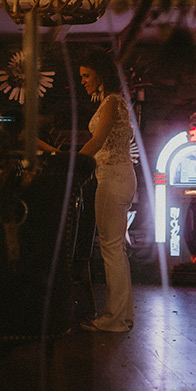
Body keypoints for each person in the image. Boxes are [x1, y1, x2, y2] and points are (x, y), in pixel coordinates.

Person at [76, 48, 136, 332]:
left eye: (86, 76)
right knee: (116, 249)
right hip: (117, 177)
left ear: (100, 74)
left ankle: (114, 318)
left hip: (113, 179)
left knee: (111, 249)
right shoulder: (116, 102)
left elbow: (98, 141)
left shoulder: (112, 102)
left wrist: (72, 164)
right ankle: (123, 316)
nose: (83, 81)